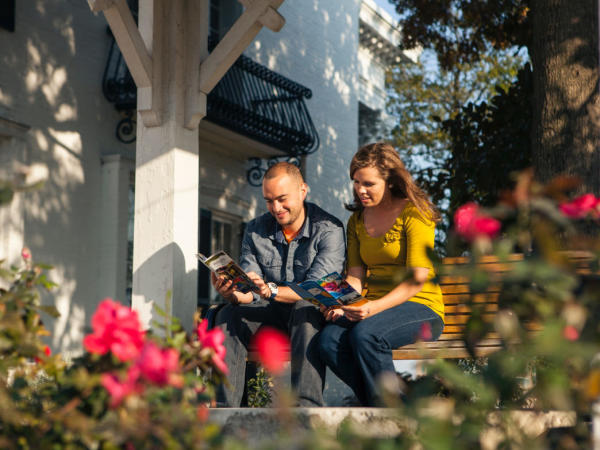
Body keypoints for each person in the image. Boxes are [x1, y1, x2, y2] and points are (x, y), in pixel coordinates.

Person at [318, 142, 445, 406]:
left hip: (421, 308)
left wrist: (372, 308)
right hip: (371, 308)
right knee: (328, 341)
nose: (360, 190)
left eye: (368, 184)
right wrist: (339, 303)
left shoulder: (414, 213)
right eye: (355, 182)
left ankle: (391, 416)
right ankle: (387, 407)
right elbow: (355, 277)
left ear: (390, 181)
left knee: (367, 335)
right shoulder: (357, 220)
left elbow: (416, 280)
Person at [212, 162, 345, 407]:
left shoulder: (330, 229)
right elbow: (251, 291)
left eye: (282, 199)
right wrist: (234, 295)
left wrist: (270, 290)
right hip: (270, 315)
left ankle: (306, 408)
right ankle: (223, 410)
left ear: (303, 191)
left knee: (305, 306)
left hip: (311, 318)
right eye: (269, 200)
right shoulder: (255, 229)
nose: (276, 208)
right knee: (227, 314)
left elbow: (316, 290)